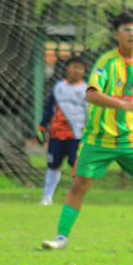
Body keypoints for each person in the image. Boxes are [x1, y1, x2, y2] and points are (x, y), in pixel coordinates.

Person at [41, 11, 133, 254]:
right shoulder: (106, 62)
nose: (132, 34)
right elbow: (91, 93)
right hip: (98, 137)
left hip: (132, 138)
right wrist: (123, 104)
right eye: (127, 30)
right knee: (79, 185)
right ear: (116, 34)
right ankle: (60, 237)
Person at [36, 56, 88, 206]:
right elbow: (48, 109)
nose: (76, 70)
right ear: (67, 68)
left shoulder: (86, 90)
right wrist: (41, 126)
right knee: (53, 164)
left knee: (76, 165)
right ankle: (47, 197)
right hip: (57, 134)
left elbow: (90, 113)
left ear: (84, 71)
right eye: (74, 67)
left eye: (80, 68)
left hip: (77, 135)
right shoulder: (58, 87)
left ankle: (75, 198)